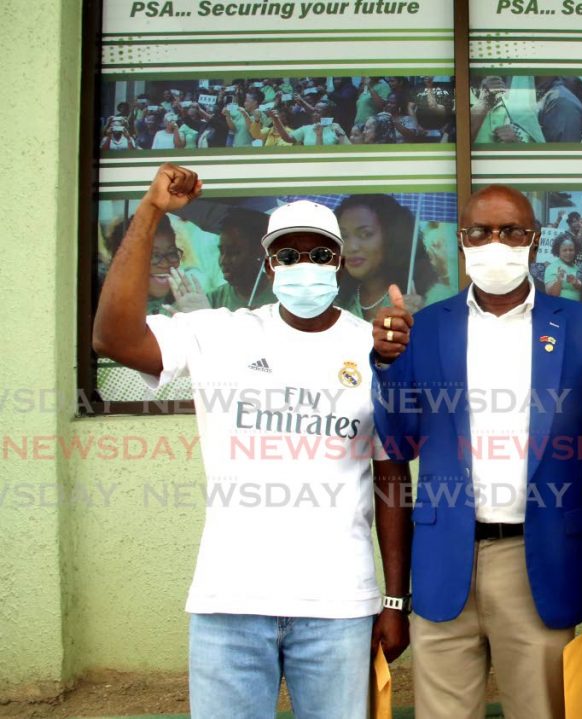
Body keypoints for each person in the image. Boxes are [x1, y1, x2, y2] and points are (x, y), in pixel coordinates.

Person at [92, 164, 412, 719]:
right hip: (230, 603)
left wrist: (393, 599)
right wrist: (149, 211)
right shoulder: (221, 333)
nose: (304, 266)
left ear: (338, 263)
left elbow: (391, 479)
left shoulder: (372, 349)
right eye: (288, 256)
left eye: (319, 254)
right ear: (270, 265)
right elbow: (113, 337)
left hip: (338, 604)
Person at [370, 184, 582, 719]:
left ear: (534, 242)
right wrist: (387, 363)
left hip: (540, 563)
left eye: (512, 231)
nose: (496, 243)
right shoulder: (424, 329)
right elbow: (399, 442)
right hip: (446, 561)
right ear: (462, 242)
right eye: (480, 232)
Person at [335, 194, 448, 319]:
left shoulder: (433, 297)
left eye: (365, 234)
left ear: (392, 238)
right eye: (343, 236)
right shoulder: (336, 299)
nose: (351, 247)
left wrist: (421, 323)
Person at [206, 210, 277, 310]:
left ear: (258, 252)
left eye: (234, 252)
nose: (223, 261)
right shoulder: (213, 301)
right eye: (222, 252)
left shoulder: (281, 296)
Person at [544, 235, 582, 300]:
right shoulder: (552, 267)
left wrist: (575, 282)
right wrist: (559, 279)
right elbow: (551, 294)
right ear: (558, 251)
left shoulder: (578, 268)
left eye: (571, 250)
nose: (568, 253)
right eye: (564, 250)